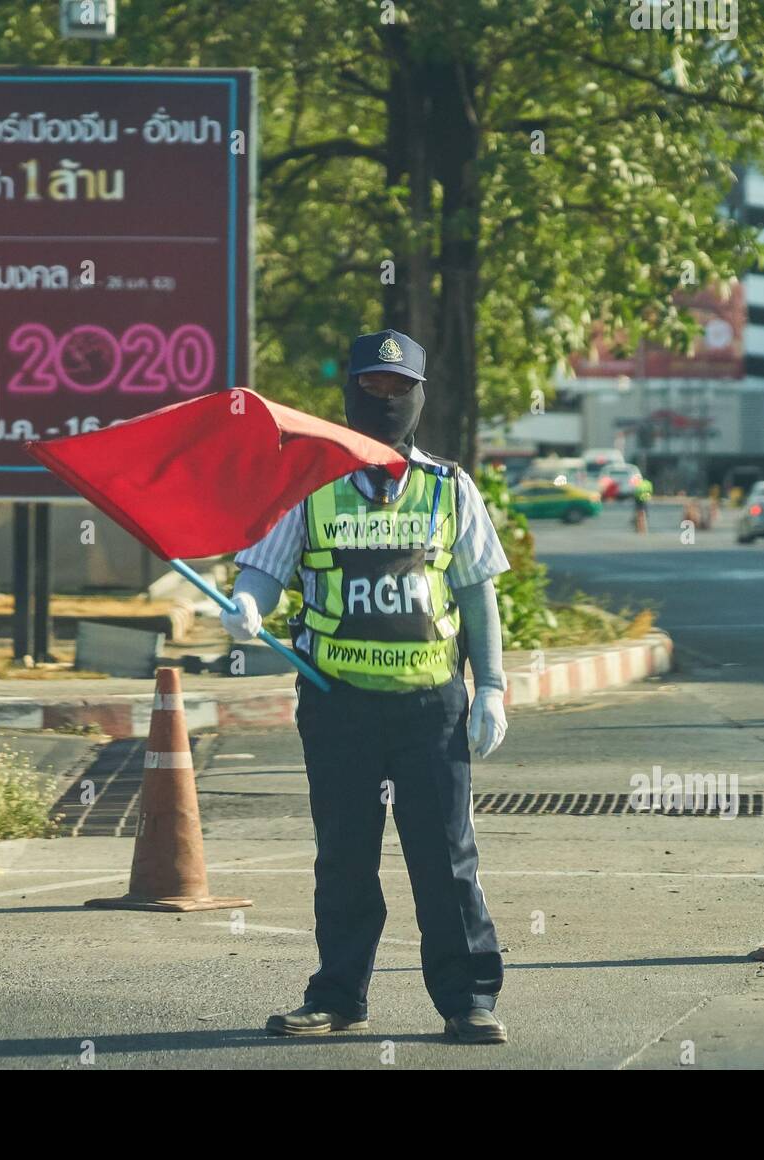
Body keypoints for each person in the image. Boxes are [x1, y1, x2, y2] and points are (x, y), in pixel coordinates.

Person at [221, 329, 511, 1045]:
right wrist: (248, 600)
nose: (384, 398)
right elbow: (267, 565)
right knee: (345, 854)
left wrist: (494, 686)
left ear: (419, 395)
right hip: (338, 701)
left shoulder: (450, 488)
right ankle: (338, 996)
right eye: (371, 386)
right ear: (349, 391)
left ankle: (468, 1000)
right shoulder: (309, 485)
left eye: (397, 387)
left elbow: (477, 595)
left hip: (430, 706)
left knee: (445, 858)